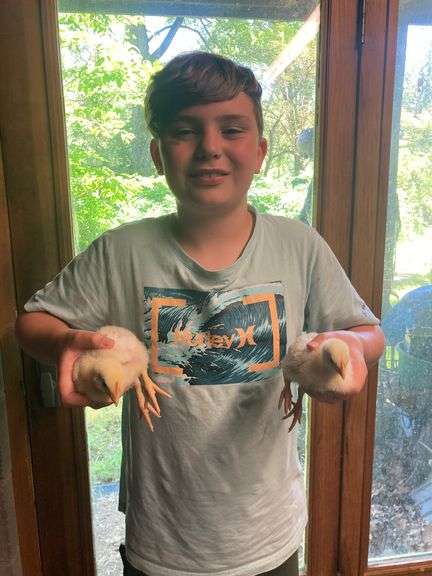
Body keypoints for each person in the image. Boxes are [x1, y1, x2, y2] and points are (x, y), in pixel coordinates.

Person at [15, 51, 385, 576]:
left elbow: (368, 332)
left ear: (260, 151)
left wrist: (348, 348)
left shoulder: (299, 245)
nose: (210, 147)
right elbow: (31, 322)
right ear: (158, 153)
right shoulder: (122, 252)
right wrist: (66, 345)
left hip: (270, 537)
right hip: (163, 546)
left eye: (231, 129)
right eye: (185, 131)